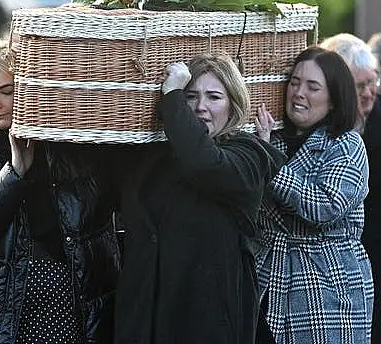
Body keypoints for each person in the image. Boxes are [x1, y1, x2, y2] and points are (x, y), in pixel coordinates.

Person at [0, 40, 120, 343]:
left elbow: (106, 211)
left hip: (73, 304)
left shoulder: (74, 147)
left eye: (6, 91)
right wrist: (15, 172)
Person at [114, 52, 283, 344]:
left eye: (214, 97)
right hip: (146, 316)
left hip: (208, 318)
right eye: (191, 96)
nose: (200, 107)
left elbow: (204, 163)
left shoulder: (248, 156)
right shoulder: (155, 158)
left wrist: (173, 95)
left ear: (233, 106)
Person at [255, 46, 374, 344]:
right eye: (294, 82)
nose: (298, 92)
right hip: (268, 276)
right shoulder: (273, 138)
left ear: (333, 99)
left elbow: (324, 206)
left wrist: (267, 157)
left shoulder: (346, 144)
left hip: (327, 282)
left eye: (312, 86)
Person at [320, 33, 381, 344]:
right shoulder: (314, 126)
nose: (370, 93)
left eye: (374, 82)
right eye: (360, 87)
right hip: (326, 263)